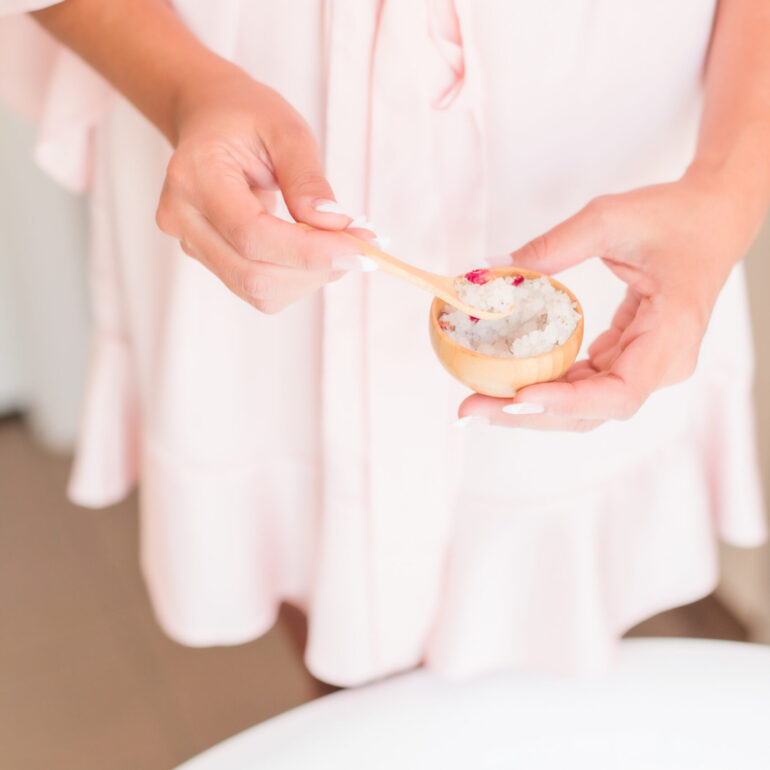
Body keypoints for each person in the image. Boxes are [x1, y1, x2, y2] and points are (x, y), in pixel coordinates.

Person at [1, 0, 767, 685]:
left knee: (552, 582)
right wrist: (186, 90)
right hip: (250, 156)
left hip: (608, 150)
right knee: (322, 575)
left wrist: (727, 190)